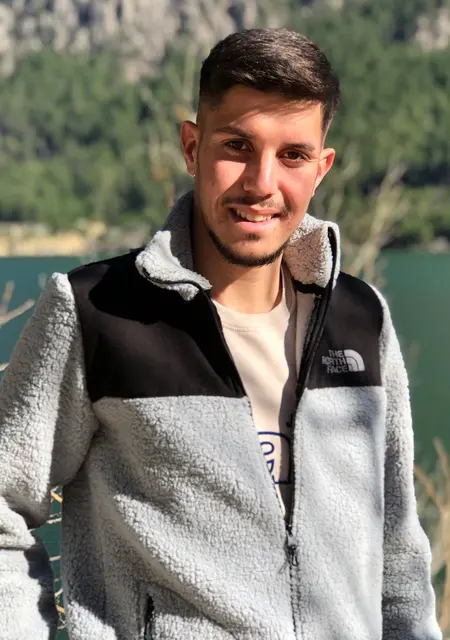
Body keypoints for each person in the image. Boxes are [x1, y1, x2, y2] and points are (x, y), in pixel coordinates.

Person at [0, 27, 441, 640]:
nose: (261, 183)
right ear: (192, 146)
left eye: (292, 155)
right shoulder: (95, 311)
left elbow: (397, 551)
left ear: (321, 168)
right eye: (237, 145)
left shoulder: (361, 318)